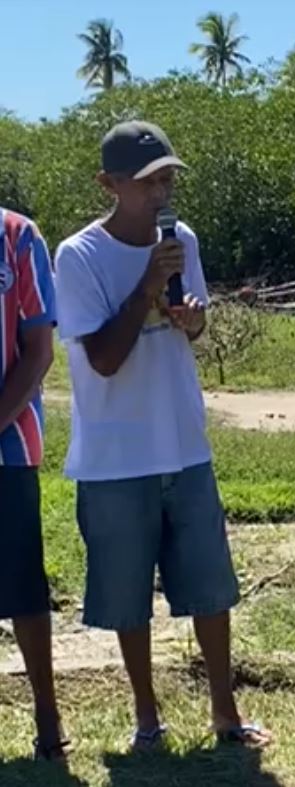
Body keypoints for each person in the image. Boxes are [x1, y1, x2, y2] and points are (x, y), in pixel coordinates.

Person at [53, 121, 270, 750]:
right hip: (115, 459)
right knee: (127, 599)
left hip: (184, 445)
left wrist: (189, 317)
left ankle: (225, 714)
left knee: (210, 586)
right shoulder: (79, 256)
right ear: (109, 185)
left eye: (167, 178)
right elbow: (101, 358)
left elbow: (191, 331)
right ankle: (147, 719)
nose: (160, 191)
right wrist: (148, 287)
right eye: (147, 181)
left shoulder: (182, 242)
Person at [0, 207, 68, 761]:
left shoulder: (18, 236)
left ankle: (47, 713)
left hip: (8, 448)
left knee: (23, 584)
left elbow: (39, 351)